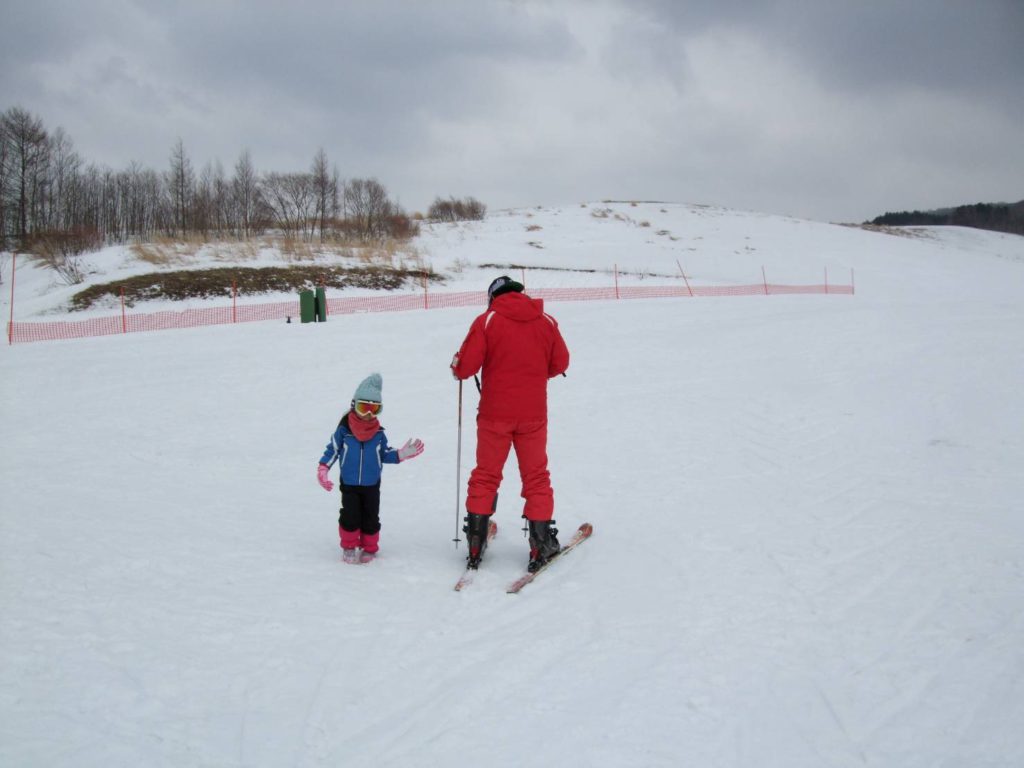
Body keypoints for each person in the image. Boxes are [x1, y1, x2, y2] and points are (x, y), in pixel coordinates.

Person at [451, 276, 570, 572]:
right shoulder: (546, 320)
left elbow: (465, 368)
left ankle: (476, 540)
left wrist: (456, 364)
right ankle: (541, 544)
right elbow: (560, 363)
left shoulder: (487, 320)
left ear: (493, 296)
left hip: (494, 414)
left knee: (486, 474)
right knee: (536, 477)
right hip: (533, 415)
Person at [316, 373, 424, 563]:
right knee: (350, 515)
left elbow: (383, 454)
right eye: (363, 407)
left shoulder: (378, 434)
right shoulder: (344, 431)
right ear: (353, 405)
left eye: (374, 409)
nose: (368, 414)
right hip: (349, 483)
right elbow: (332, 450)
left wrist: (401, 454)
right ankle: (349, 546)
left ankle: (369, 548)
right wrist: (324, 468)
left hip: (371, 484)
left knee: (371, 517)